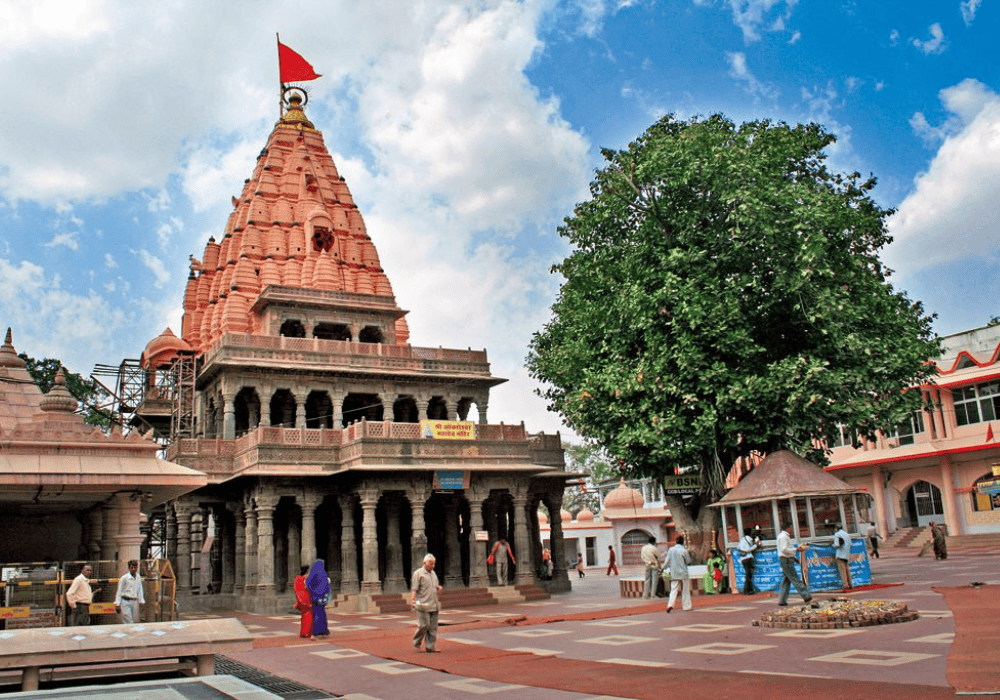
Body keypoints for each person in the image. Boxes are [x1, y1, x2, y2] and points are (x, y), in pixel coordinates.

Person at [410, 553, 442, 653]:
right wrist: (412, 600)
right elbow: (414, 589)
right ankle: (416, 641)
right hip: (423, 604)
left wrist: (438, 587)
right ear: (424, 563)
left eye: (433, 564)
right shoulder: (418, 574)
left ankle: (430, 646)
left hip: (433, 603)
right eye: (430, 564)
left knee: (433, 627)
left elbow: (435, 586)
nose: (432, 566)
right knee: (424, 625)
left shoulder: (433, 573)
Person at [777, 524, 813, 606]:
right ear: (788, 528)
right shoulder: (784, 537)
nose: (792, 530)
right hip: (786, 559)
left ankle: (782, 600)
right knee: (795, 578)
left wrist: (794, 558)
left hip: (786, 559)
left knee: (786, 580)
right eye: (791, 528)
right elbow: (784, 549)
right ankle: (806, 596)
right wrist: (796, 549)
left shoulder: (783, 536)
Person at [665, 535, 692, 612]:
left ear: (676, 542)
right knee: (686, 590)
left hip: (674, 573)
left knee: (673, 589)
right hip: (683, 573)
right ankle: (687, 606)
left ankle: (670, 604)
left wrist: (662, 568)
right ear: (683, 542)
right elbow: (688, 561)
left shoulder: (670, 550)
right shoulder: (684, 551)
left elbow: (666, 561)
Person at [306, 560, 331, 636]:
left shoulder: (314, 573)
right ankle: (324, 630)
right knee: (322, 613)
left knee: (317, 613)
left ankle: (317, 630)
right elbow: (327, 586)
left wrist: (313, 590)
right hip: (323, 598)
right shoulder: (324, 574)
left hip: (315, 597)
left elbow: (308, 583)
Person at [738, 526, 760, 594]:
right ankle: (747, 590)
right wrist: (756, 546)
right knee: (748, 575)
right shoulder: (749, 539)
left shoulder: (742, 539)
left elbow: (738, 547)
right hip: (748, 558)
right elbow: (748, 549)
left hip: (743, 558)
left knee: (748, 574)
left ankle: (747, 590)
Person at [293, 565, 314, 639]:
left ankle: (303, 632)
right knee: (309, 616)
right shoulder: (305, 578)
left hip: (301, 598)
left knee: (304, 616)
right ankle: (307, 633)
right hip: (306, 598)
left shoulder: (297, 578)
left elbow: (296, 588)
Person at [833, 523, 853, 590]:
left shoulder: (837, 534)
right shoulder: (847, 534)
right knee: (847, 570)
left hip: (840, 554)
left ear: (836, 529)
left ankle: (845, 585)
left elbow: (837, 545)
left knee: (842, 571)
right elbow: (850, 543)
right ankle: (851, 584)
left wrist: (832, 545)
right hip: (846, 554)